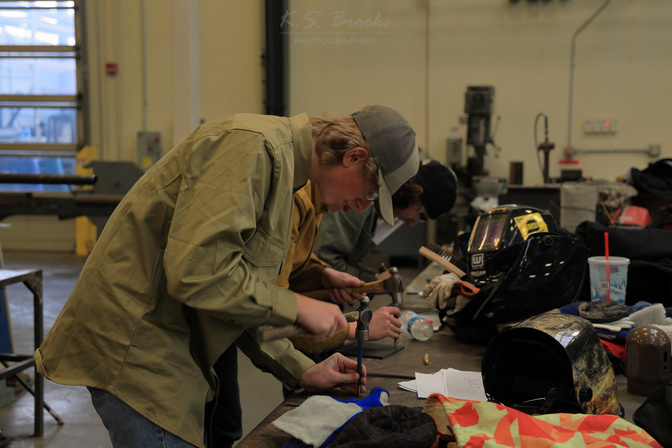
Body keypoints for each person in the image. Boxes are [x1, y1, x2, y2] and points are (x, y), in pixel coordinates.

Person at [34, 105, 420, 448]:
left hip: (171, 348)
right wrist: (297, 305)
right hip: (135, 348)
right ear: (354, 156)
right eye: (370, 194)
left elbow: (236, 295)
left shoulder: (288, 181)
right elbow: (198, 273)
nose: (359, 207)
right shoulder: (251, 146)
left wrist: (301, 368)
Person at [315, 159, 458, 282]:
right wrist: (373, 281)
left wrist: (376, 277)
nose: (411, 223)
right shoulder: (360, 202)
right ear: (416, 191)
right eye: (419, 215)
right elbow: (325, 262)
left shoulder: (374, 211)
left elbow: (348, 261)